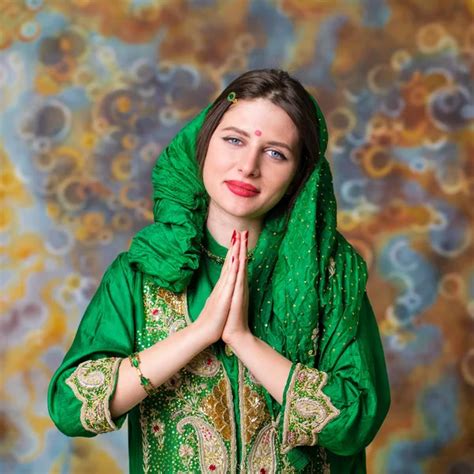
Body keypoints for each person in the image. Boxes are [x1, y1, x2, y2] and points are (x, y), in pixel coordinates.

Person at [48, 69, 390, 473]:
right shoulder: (142, 273)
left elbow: (358, 419)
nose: (248, 166)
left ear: (300, 175)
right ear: (203, 143)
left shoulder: (329, 276)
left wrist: (244, 341)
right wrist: (198, 334)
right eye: (234, 140)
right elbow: (70, 407)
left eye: (276, 152)